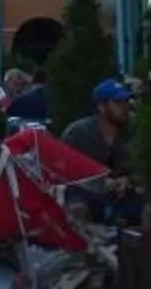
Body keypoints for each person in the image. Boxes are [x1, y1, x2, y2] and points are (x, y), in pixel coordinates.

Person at [59, 77, 142, 221]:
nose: (125, 107)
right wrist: (98, 182)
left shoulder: (136, 128)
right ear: (101, 107)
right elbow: (61, 168)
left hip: (127, 192)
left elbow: (149, 166)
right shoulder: (78, 132)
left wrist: (130, 179)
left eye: (126, 102)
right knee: (77, 207)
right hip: (88, 193)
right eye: (118, 103)